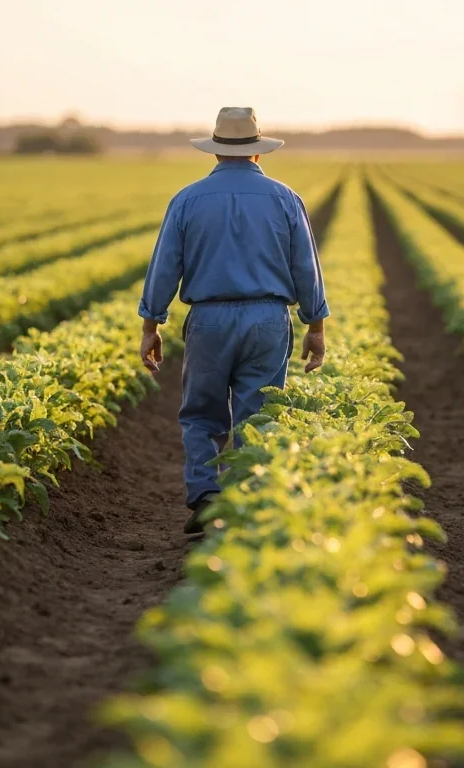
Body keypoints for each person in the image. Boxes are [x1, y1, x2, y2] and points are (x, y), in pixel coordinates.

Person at [137, 106, 330, 538]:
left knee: (201, 414)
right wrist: (315, 325)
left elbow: (165, 265)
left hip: (208, 318)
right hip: (267, 318)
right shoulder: (285, 198)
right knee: (257, 412)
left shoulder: (187, 199)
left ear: (215, 152)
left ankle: (206, 498)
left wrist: (152, 323)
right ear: (259, 153)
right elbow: (306, 267)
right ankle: (247, 498)